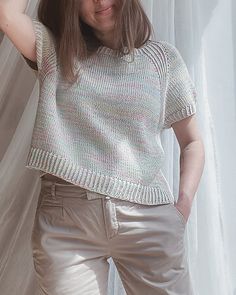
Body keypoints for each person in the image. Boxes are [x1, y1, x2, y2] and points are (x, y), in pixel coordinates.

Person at [0, 0, 205, 294]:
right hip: (67, 221)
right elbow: (6, 15)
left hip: (148, 216)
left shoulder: (163, 59)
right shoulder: (56, 51)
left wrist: (182, 208)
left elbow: (192, 142)